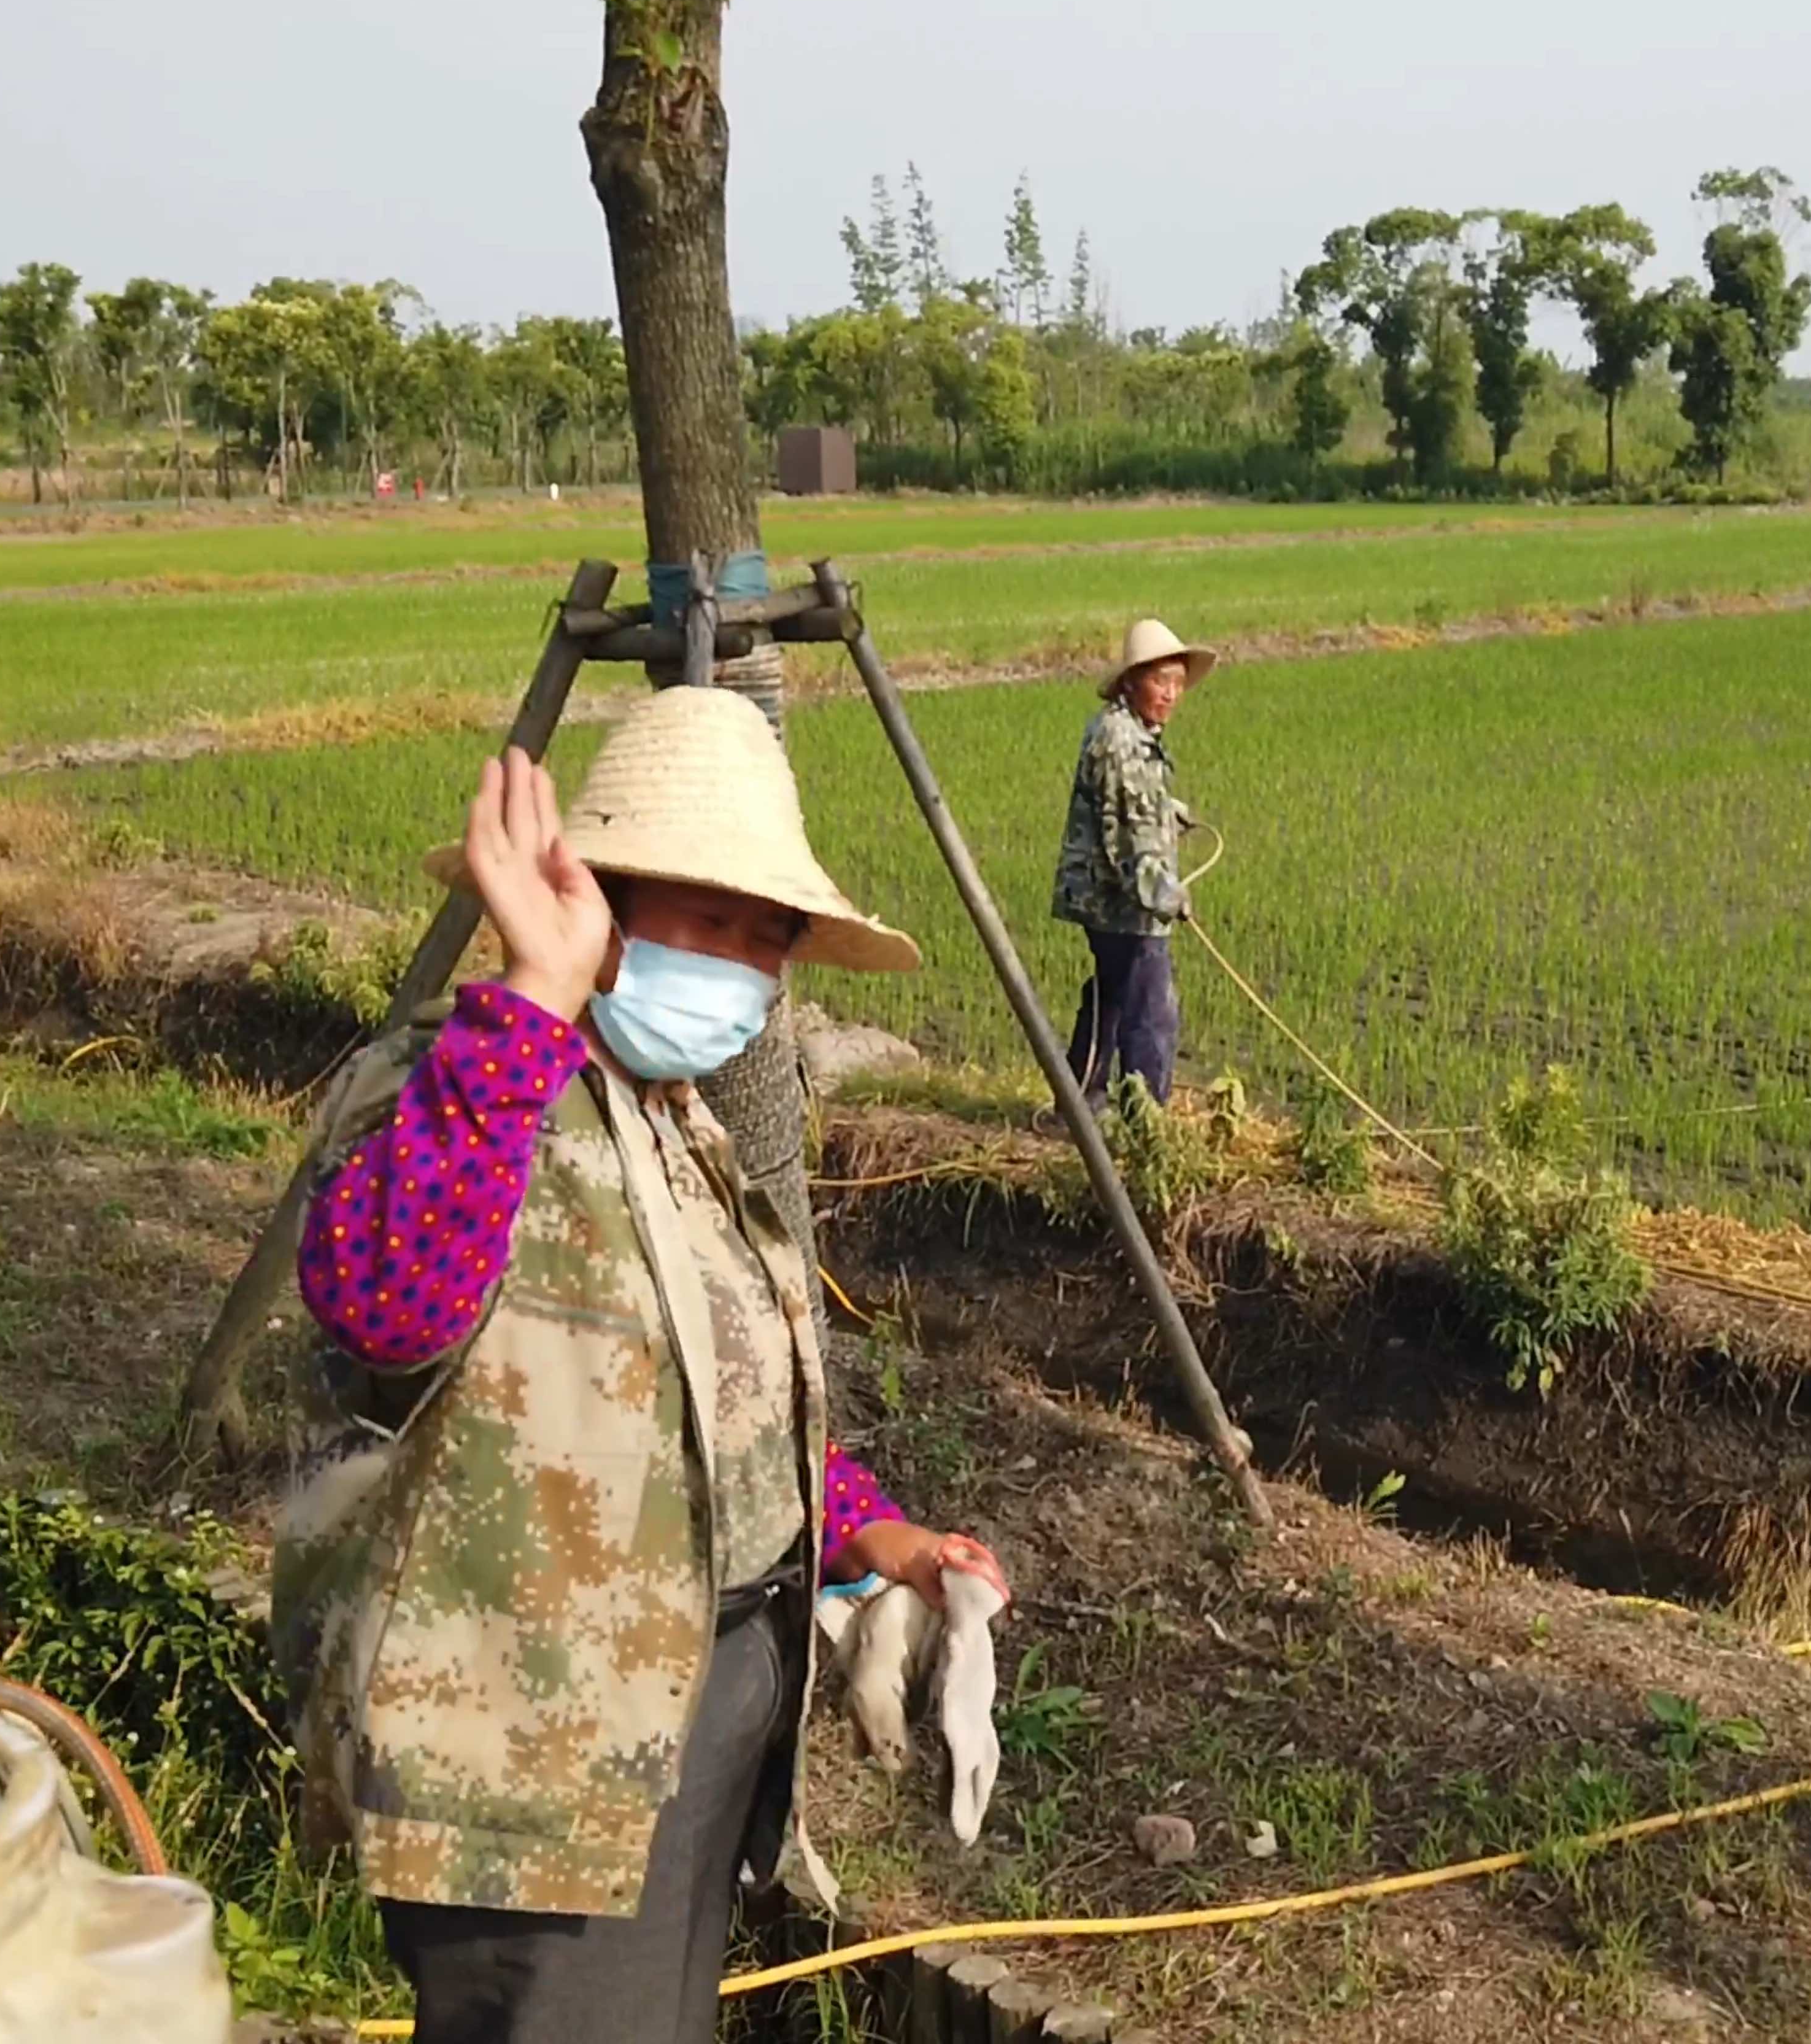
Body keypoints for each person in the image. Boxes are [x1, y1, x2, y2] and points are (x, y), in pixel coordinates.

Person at [272, 686, 1006, 2044]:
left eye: (764, 938)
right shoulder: (457, 1081)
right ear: (591, 896)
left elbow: (710, 1402)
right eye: (704, 920)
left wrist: (879, 1536)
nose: (739, 964)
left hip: (695, 1724)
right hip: (534, 1746)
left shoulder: (673, 1125)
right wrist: (532, 1003)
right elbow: (383, 1311)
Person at [1051, 617, 1218, 1109]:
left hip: (1106, 898)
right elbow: (1127, 838)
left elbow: (1127, 807)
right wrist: (1167, 896)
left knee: (1113, 996)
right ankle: (1147, 1122)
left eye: (1177, 683)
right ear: (1131, 681)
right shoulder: (1122, 742)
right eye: (1159, 681)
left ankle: (1080, 1104)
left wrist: (1169, 809)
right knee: (1151, 1011)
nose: (1170, 694)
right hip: (1122, 901)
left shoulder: (1126, 730)